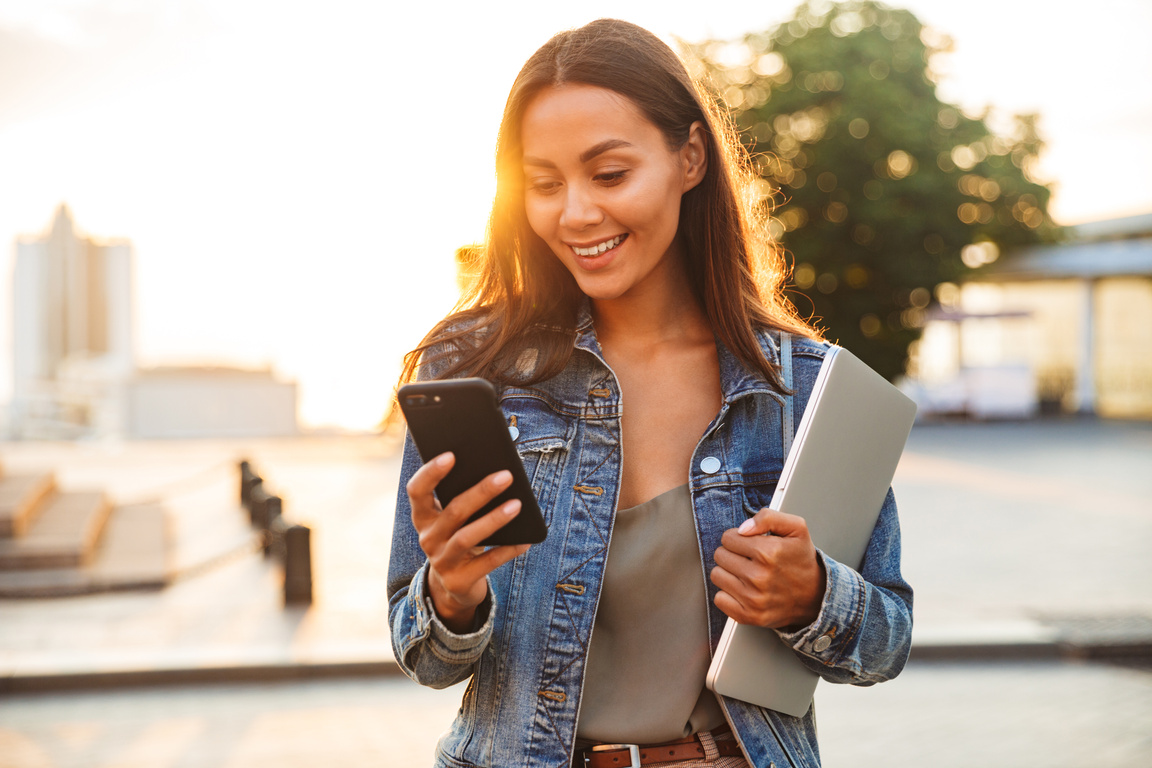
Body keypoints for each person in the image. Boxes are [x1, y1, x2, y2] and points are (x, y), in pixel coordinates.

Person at [388, 18, 913, 768]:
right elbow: (426, 656)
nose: (575, 214)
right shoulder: (474, 372)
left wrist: (812, 598)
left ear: (689, 157)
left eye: (609, 175)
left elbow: (886, 640)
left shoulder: (800, 386)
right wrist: (450, 591)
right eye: (545, 184)